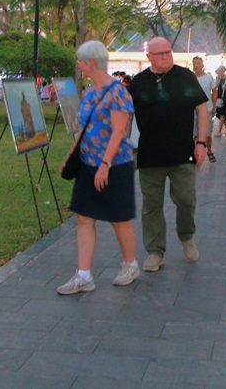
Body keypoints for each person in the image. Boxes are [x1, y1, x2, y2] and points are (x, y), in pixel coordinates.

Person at [57, 40, 139, 295]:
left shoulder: (118, 92)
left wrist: (105, 164)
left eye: (80, 61)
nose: (79, 66)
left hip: (115, 164)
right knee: (84, 217)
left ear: (91, 62)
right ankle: (84, 276)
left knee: (118, 218)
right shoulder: (89, 92)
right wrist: (71, 154)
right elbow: (83, 127)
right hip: (87, 162)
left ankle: (130, 265)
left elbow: (119, 131)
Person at [128, 36, 209, 272]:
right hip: (150, 155)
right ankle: (155, 252)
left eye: (168, 52)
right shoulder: (139, 82)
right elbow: (126, 114)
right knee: (151, 206)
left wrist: (201, 142)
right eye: (160, 54)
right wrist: (124, 143)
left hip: (182, 152)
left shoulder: (185, 76)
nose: (166, 57)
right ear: (149, 57)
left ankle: (186, 236)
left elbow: (202, 110)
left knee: (186, 200)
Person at [191, 56, 216, 163]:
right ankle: (195, 153)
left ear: (202, 65)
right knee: (194, 134)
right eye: (194, 63)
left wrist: (214, 106)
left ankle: (209, 150)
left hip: (207, 109)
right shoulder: (191, 78)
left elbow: (214, 91)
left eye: (198, 63)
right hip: (193, 110)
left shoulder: (209, 77)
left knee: (208, 134)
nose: (196, 65)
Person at [212, 65, 226, 137]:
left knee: (222, 114)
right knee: (223, 114)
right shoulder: (218, 78)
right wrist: (219, 79)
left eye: (220, 70)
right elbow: (216, 86)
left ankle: (219, 131)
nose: (219, 72)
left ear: (223, 71)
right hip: (219, 97)